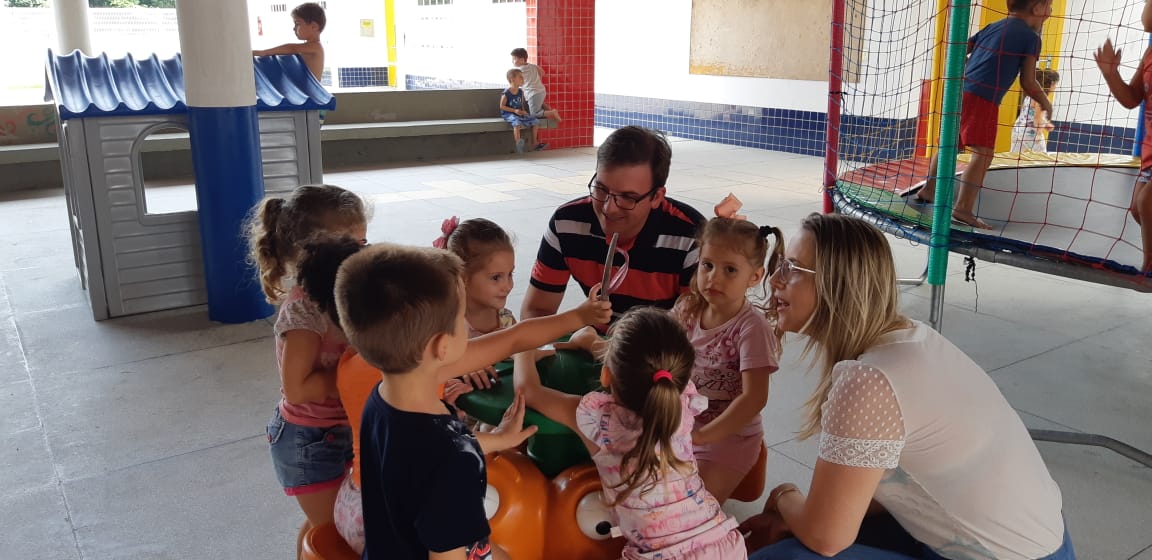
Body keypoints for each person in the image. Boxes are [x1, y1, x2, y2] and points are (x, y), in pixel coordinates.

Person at [738, 213, 1075, 560]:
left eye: (791, 269)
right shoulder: (913, 339)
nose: (775, 280)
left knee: (782, 556)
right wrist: (803, 522)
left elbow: (826, 538)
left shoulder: (870, 379)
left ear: (838, 284)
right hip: (1045, 546)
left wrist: (785, 497)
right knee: (799, 536)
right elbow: (873, 497)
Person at [332, 242, 612, 560]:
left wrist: (579, 316)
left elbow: (513, 339)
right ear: (442, 346)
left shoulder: (383, 399)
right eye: (460, 321)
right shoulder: (451, 464)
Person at [513, 307, 746, 559]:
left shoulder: (598, 420)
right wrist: (591, 342)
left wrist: (523, 349)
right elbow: (647, 369)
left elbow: (528, 390)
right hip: (724, 545)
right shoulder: (679, 402)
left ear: (605, 374)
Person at [245, 184, 369, 556]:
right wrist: (357, 376)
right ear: (311, 252)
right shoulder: (303, 310)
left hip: (343, 429)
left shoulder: (342, 293)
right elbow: (297, 388)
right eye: (353, 247)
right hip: (309, 440)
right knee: (336, 533)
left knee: (336, 521)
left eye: (364, 244)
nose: (362, 255)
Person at [522, 125, 707, 325]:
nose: (609, 209)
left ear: (657, 197)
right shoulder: (567, 224)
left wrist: (610, 348)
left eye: (628, 197)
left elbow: (696, 332)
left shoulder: (692, 238)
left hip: (662, 350)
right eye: (601, 189)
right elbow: (536, 310)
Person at [911, 0, 1054, 229]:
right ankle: (963, 208)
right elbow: (1027, 81)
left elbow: (961, 49)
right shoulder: (1031, 38)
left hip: (959, 91)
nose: (1049, 15)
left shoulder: (994, 25)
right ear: (1037, 8)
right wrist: (1045, 101)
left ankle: (929, 189)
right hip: (984, 99)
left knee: (949, 144)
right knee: (984, 154)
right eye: (1050, 9)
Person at [674, 217, 783, 503]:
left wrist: (705, 436)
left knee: (695, 508)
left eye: (730, 270)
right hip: (683, 423)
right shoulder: (687, 309)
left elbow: (754, 398)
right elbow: (656, 346)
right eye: (707, 265)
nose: (713, 278)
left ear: (754, 277)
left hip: (729, 437)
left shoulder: (751, 328)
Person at [1096, 1, 1152, 274]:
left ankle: (1150, 267)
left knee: (1147, 202)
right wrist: (1111, 73)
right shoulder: (1150, 52)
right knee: (1138, 210)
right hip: (1149, 152)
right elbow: (1131, 98)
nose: (1144, 9)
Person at [252, 2, 326, 81]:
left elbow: (292, 48)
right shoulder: (309, 47)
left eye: (297, 24)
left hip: (312, 92)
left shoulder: (316, 47)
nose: (294, 28)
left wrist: (263, 52)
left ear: (313, 26)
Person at [1010, 68, 1060, 153]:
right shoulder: (1041, 98)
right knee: (1042, 158)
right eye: (1056, 84)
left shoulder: (1031, 94)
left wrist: (1045, 124)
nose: (1055, 87)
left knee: (1013, 157)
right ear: (1052, 83)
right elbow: (1037, 118)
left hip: (1017, 130)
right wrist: (1039, 134)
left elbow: (1028, 114)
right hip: (1031, 133)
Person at [510, 47, 562, 123]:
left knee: (534, 114)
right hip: (540, 91)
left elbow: (518, 83)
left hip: (533, 93)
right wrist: (536, 80)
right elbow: (542, 72)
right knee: (538, 104)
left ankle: (552, 113)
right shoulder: (532, 66)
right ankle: (548, 110)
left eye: (514, 59)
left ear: (521, 60)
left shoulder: (519, 71)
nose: (512, 61)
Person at [500, 69, 541, 154]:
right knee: (517, 123)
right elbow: (502, 106)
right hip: (509, 114)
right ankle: (518, 143)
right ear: (512, 79)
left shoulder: (520, 92)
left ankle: (535, 143)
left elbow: (521, 105)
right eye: (521, 77)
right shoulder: (507, 93)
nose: (523, 79)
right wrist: (514, 110)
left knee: (535, 121)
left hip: (519, 113)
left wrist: (523, 111)